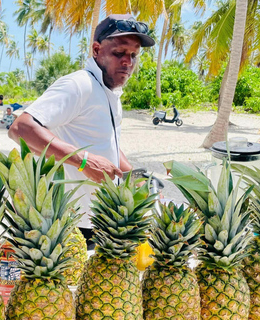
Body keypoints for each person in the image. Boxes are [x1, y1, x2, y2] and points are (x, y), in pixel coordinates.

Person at [8, 14, 155, 248]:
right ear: (97, 49)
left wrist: (134, 177)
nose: (127, 61)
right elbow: (21, 128)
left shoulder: (109, 92)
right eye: (119, 53)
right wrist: (84, 161)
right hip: (72, 225)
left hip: (102, 220)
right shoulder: (79, 85)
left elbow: (105, 142)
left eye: (133, 55)